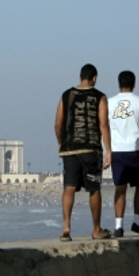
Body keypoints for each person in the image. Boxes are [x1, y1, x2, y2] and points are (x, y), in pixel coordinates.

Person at [54, 63, 112, 241]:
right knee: (94, 189)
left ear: (80, 77)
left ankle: (66, 229)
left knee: (69, 188)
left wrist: (61, 142)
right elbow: (103, 124)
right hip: (91, 149)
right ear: (94, 78)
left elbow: (58, 123)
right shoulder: (100, 97)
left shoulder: (66, 95)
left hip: (70, 149)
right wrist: (109, 150)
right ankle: (96, 229)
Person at [107, 70, 139, 237]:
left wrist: (107, 150)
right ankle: (137, 222)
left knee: (120, 187)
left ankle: (118, 226)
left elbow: (104, 127)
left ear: (119, 84)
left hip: (117, 150)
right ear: (134, 84)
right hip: (135, 149)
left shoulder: (109, 103)